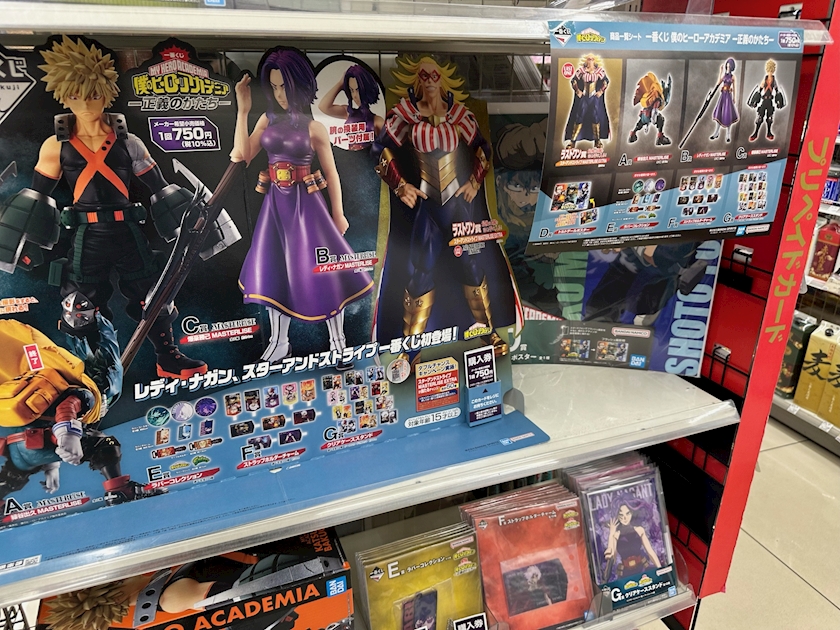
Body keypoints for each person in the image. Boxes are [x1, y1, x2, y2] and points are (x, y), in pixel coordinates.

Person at [0, 36, 208, 379]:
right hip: (87, 236)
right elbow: (36, 196)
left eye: (93, 95)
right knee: (79, 306)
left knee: (155, 295)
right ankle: (96, 368)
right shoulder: (55, 145)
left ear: (106, 93)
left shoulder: (130, 142)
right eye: (76, 95)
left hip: (128, 231)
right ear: (64, 96)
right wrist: (23, 244)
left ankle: (167, 357)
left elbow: (159, 186)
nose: (85, 104)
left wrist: (192, 221)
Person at [232, 48, 373, 364]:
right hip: (276, 207)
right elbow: (242, 155)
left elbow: (332, 173)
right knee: (275, 271)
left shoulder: (314, 127)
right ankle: (279, 342)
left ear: (299, 84)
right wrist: (243, 111)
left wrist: (338, 213)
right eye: (275, 87)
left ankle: (338, 344)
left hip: (307, 208)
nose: (280, 94)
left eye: (285, 86)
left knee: (325, 273)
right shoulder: (267, 120)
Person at [372, 55, 518, 360]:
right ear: (416, 78)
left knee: (471, 265)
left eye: (434, 75)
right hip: (426, 205)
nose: (429, 81)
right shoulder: (406, 113)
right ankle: (411, 348)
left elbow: (483, 147)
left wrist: (474, 181)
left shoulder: (459, 113)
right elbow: (380, 149)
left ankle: (488, 331)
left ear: (442, 77)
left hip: (456, 206)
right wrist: (400, 185)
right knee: (420, 271)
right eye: (423, 75)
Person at [0, 315, 163, 506]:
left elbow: (36, 419)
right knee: (105, 445)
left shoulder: (22, 379)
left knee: (12, 476)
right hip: (42, 440)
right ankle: (119, 490)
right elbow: (67, 406)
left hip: (17, 449)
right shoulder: (82, 391)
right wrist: (66, 435)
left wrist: (51, 464)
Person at [317, 64, 384, 151]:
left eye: (358, 90)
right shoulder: (348, 112)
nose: (355, 95)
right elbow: (323, 107)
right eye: (351, 90)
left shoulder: (377, 121)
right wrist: (340, 84)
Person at [564, 53, 610, 150]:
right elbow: (574, 81)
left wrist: (601, 91)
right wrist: (577, 90)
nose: (590, 61)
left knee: (595, 117)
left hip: (594, 97)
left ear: (595, 60)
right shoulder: (581, 70)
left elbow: (606, 81)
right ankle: (573, 141)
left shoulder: (599, 71)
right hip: (584, 97)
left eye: (592, 59)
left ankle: (597, 140)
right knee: (579, 116)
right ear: (586, 60)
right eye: (588, 59)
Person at [604, 503, 662, 578]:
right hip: (625, 574)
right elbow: (612, 559)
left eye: (627, 513)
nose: (624, 518)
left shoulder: (639, 530)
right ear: (617, 516)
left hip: (642, 569)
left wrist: (660, 569)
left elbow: (650, 552)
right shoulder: (616, 535)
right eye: (621, 515)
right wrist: (611, 533)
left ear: (632, 513)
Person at [628, 72, 672, 146]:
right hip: (650, 115)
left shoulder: (649, 95)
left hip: (644, 115)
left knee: (640, 123)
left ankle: (632, 135)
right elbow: (654, 110)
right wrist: (653, 120)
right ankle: (660, 138)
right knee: (661, 120)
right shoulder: (657, 98)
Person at [748, 59, 786, 142]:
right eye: (769, 70)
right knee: (759, 118)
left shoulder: (774, 80)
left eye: (771, 70)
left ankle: (769, 133)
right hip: (764, 100)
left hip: (770, 101)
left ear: (773, 70)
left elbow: (777, 91)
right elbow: (759, 90)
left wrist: (779, 102)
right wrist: (754, 101)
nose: (770, 72)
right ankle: (755, 133)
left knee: (769, 118)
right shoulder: (764, 79)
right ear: (767, 69)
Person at [709, 58, 739, 142]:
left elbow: (735, 88)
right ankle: (716, 132)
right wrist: (720, 72)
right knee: (719, 113)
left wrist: (734, 97)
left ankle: (728, 134)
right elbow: (718, 82)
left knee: (728, 114)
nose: (728, 67)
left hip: (728, 97)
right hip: (723, 96)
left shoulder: (733, 77)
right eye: (727, 66)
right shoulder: (724, 75)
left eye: (729, 66)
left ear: (732, 67)